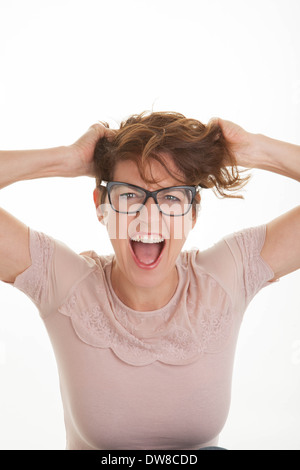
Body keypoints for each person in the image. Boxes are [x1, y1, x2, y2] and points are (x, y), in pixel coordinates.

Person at [0, 112, 299, 450]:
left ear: (193, 212)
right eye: (129, 195)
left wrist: (258, 150)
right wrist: (66, 159)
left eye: (171, 197)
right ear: (101, 207)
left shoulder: (225, 277)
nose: (149, 215)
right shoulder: (65, 283)